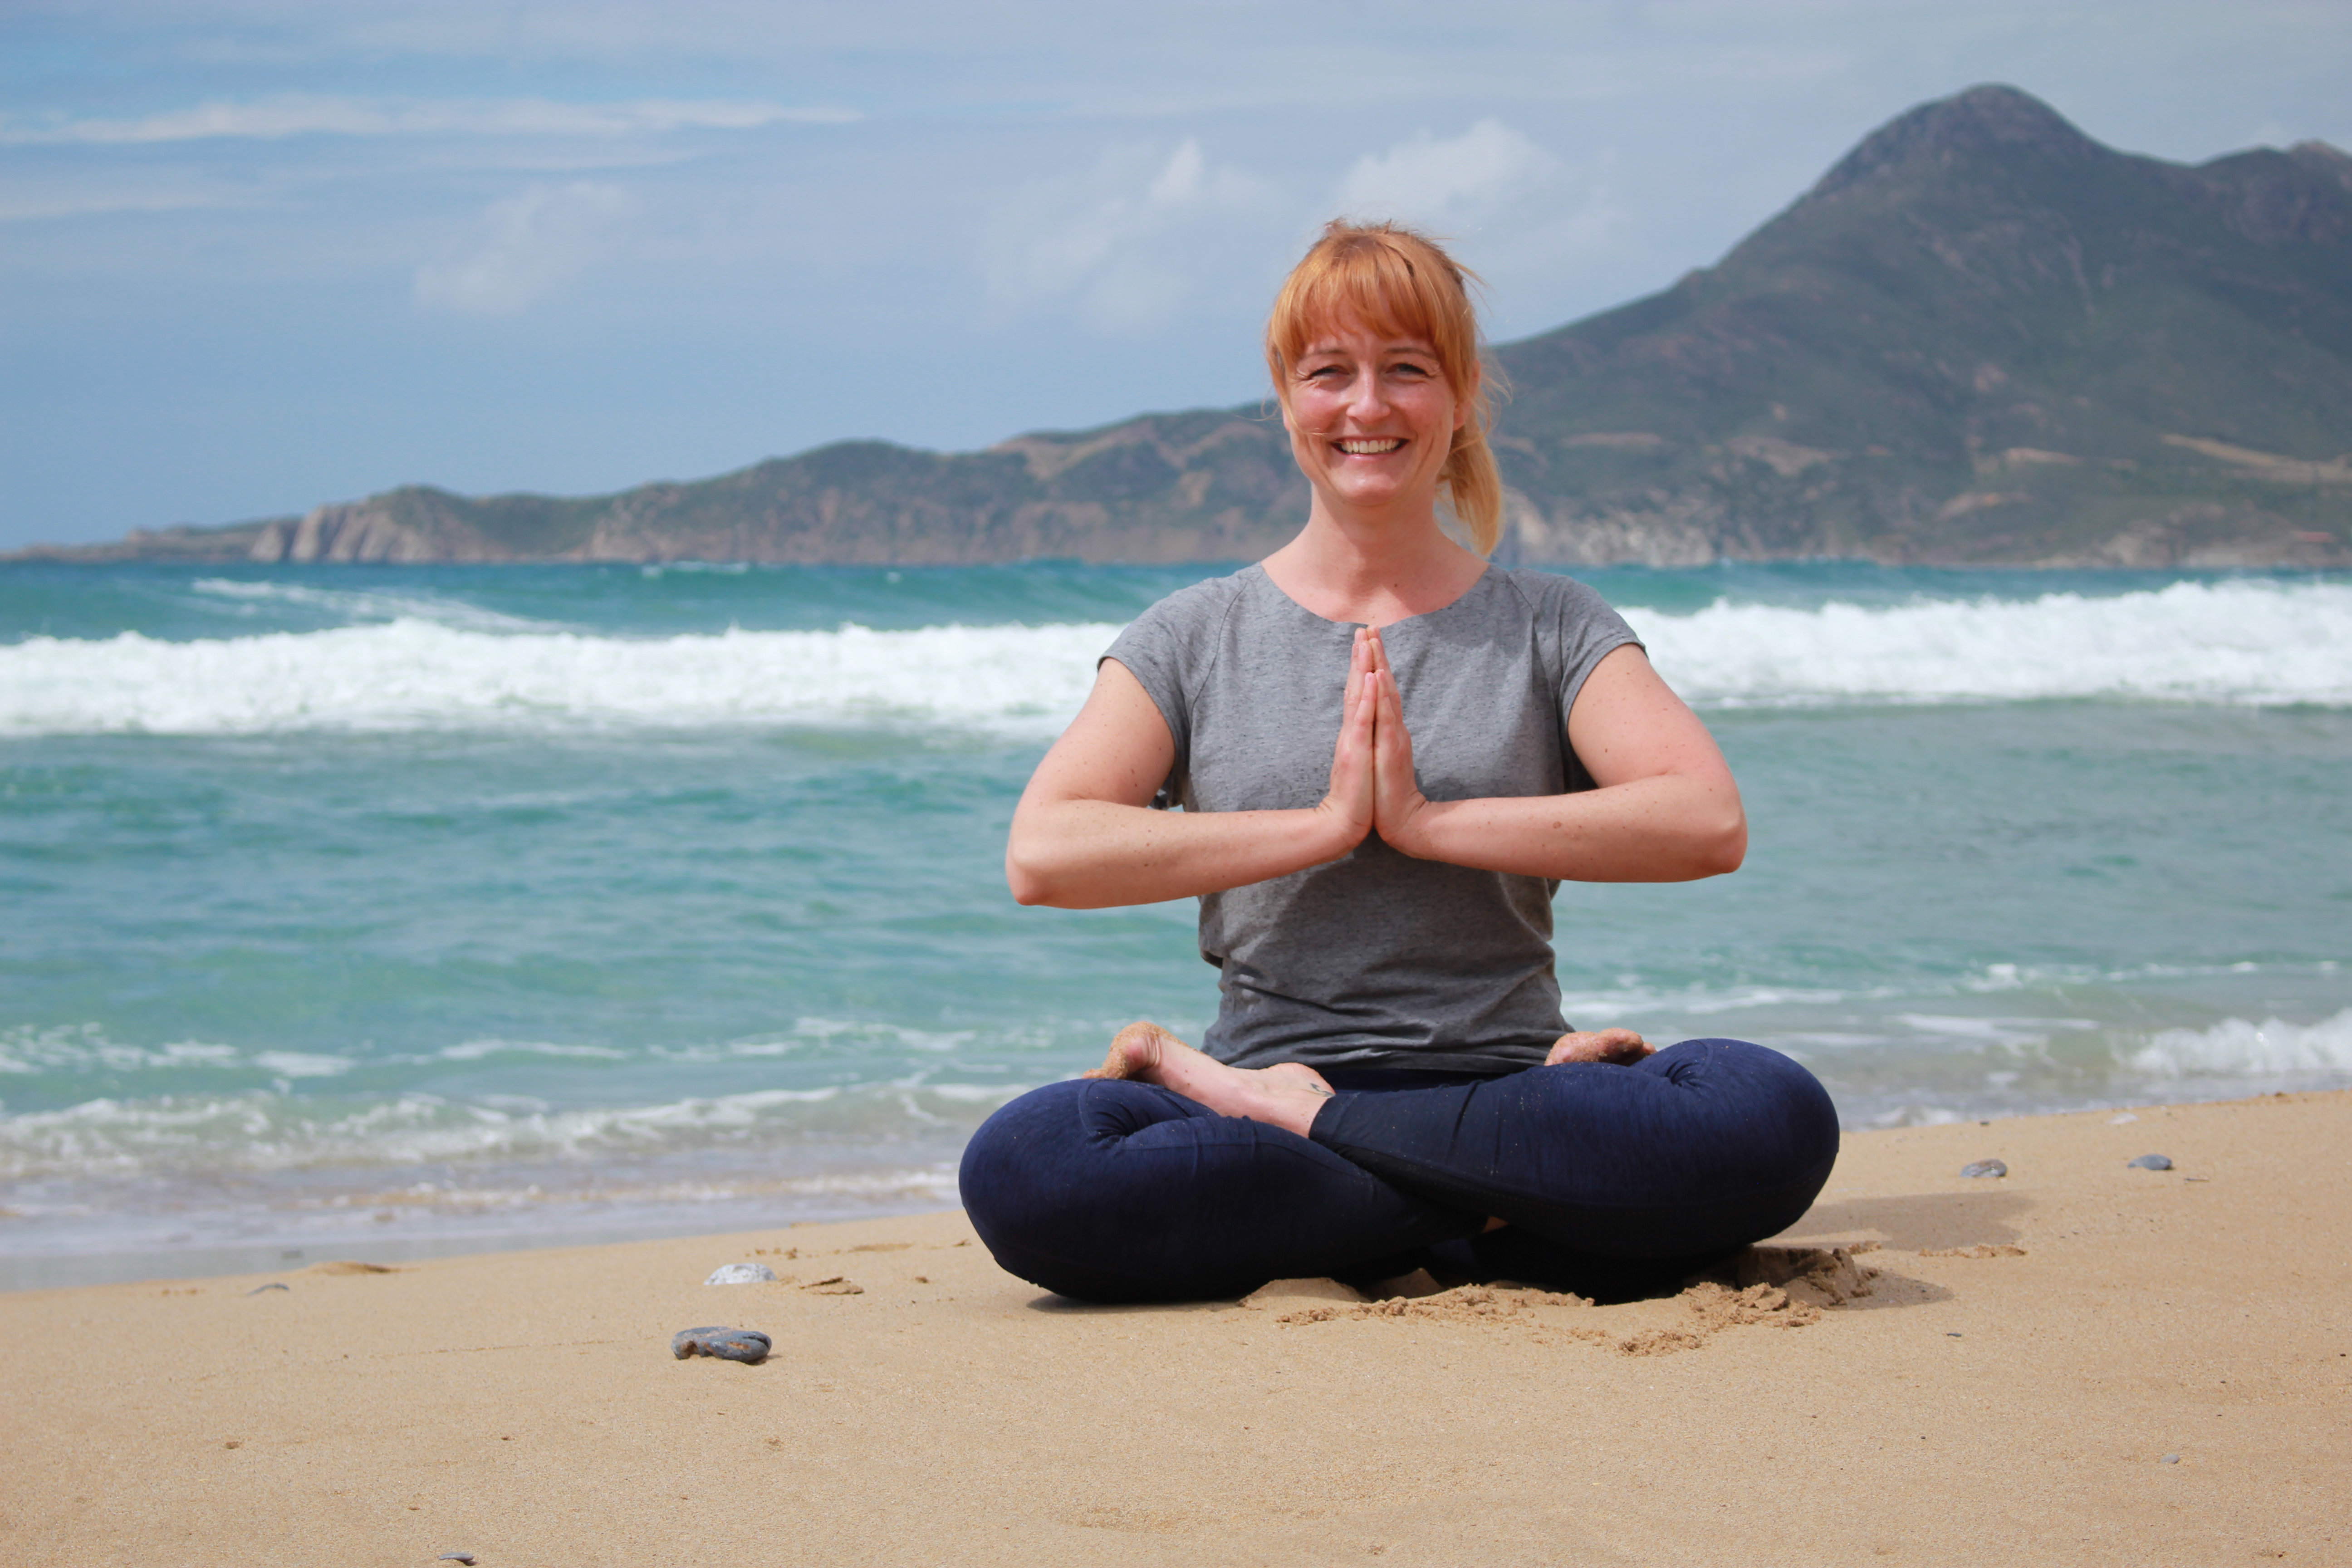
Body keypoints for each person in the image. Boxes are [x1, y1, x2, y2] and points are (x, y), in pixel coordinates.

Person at [958, 220, 1837, 1304]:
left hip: (1509, 1090)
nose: (1367, 407)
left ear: (1460, 398)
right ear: (1287, 398)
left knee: (1769, 1111)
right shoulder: (1194, 635)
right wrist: (1324, 827)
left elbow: (1706, 819)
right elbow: (1044, 854)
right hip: (1267, 1086)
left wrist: (1425, 823)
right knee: (1028, 1164)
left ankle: (1342, 1158)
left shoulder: (1551, 623)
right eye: (1331, 372)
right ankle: (1497, 1212)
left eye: (1407, 370)